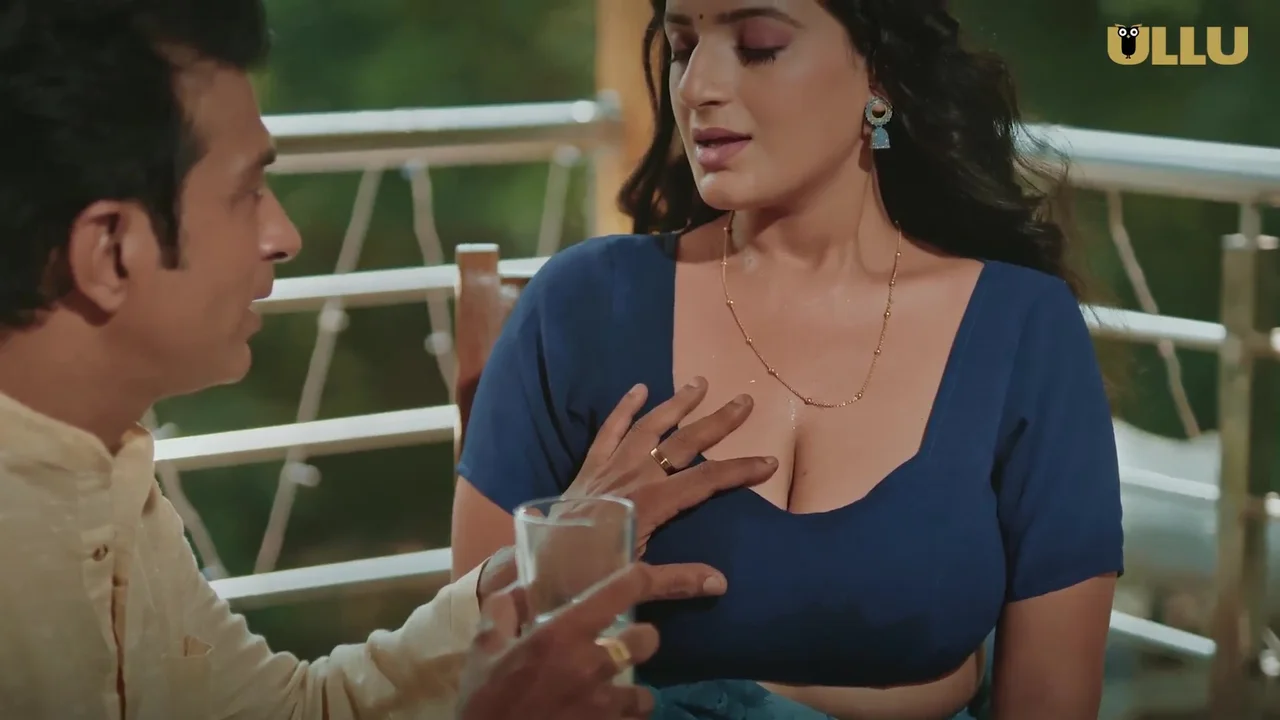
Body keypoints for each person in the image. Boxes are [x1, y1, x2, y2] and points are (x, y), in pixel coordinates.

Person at [0, 1, 778, 718]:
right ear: (110, 250)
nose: (283, 237)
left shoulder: (101, 471)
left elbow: (296, 711)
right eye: (246, 193)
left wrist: (538, 570)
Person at [451, 1, 1125, 719]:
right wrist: (572, 546)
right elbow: (470, 665)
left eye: (759, 46)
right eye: (682, 47)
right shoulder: (583, 306)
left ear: (880, 73)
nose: (696, 86)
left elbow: (1051, 698)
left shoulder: (1021, 326)